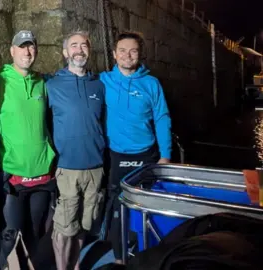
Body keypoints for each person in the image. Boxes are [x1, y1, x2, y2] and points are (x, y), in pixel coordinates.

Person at [100, 31, 172, 264]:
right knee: (117, 206)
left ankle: (147, 254)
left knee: (147, 205)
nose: (127, 55)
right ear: (114, 54)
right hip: (116, 155)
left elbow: (161, 118)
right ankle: (120, 258)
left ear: (140, 55)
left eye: (133, 51)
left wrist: (166, 155)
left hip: (146, 154)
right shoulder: (103, 81)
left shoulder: (151, 83)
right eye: (122, 50)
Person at [0, 30, 56, 267]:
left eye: (32, 47)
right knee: (9, 238)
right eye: (22, 47)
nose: (28, 52)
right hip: (12, 175)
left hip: (41, 174)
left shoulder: (42, 83)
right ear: (12, 51)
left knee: (34, 234)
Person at [46, 30, 106, 270]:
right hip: (67, 167)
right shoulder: (52, 85)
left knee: (84, 223)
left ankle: (76, 265)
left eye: (83, 45)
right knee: (64, 225)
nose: (79, 50)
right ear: (65, 52)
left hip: (96, 167)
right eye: (73, 45)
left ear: (89, 50)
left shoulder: (99, 85)